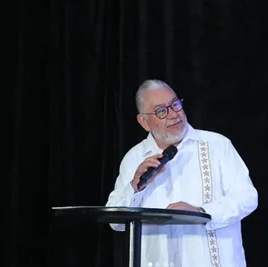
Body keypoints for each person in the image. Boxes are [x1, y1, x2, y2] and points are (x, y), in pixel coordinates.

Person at [105, 79, 258, 267]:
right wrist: (134, 187)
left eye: (175, 104)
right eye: (161, 111)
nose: (174, 115)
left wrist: (202, 213)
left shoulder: (216, 145)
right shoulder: (134, 158)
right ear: (144, 122)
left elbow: (247, 197)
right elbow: (116, 223)